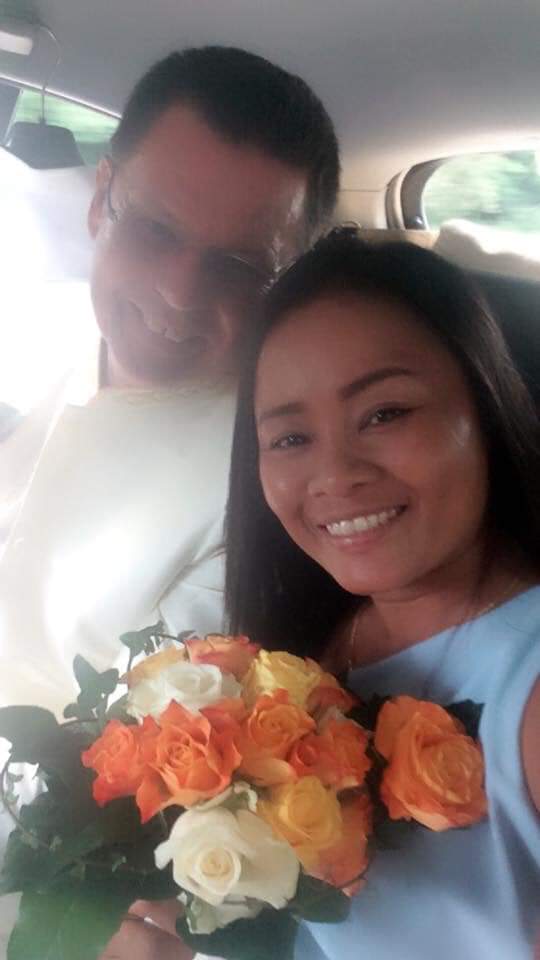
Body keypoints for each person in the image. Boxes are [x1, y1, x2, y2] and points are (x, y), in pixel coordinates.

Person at [0, 47, 339, 959]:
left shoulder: (265, 485)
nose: (180, 294)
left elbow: (136, 802)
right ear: (100, 199)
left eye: (241, 265)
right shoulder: (40, 332)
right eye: (154, 229)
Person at [225, 228, 540, 959]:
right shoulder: (304, 654)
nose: (336, 475)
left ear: (484, 406)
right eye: (291, 439)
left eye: (385, 413)